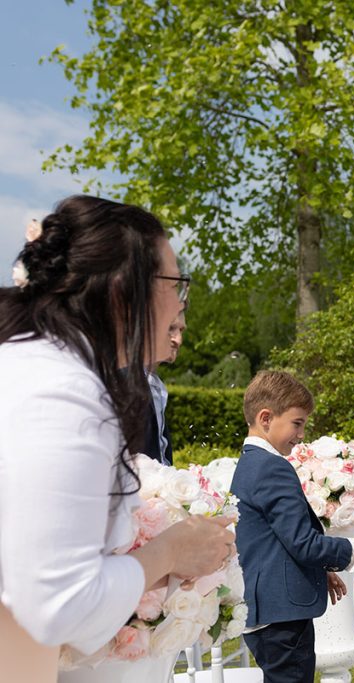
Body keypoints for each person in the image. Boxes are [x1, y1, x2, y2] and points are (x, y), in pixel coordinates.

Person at [0, 197, 234, 675]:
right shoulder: (63, 395)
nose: (181, 304)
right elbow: (59, 607)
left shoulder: (32, 364)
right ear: (124, 293)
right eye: (176, 283)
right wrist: (170, 549)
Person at [232, 370, 354, 683]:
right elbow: (303, 543)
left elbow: (274, 541)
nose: (301, 434)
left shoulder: (250, 462)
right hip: (282, 617)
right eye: (297, 423)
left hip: (268, 611)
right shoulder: (272, 468)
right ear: (266, 417)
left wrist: (318, 569)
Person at [143, 310, 185, 465]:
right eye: (171, 328)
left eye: (181, 330)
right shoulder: (124, 385)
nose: (178, 340)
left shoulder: (157, 387)